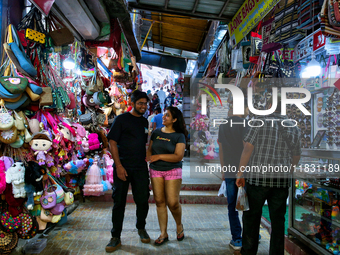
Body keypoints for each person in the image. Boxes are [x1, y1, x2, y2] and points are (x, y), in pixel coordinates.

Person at [236, 94, 301, 255]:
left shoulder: (259, 120)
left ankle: (248, 252)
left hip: (257, 180)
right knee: (278, 222)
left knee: (251, 219)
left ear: (270, 104)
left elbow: (248, 148)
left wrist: (240, 173)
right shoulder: (293, 125)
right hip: (281, 182)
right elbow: (296, 155)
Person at [106, 90, 151, 253]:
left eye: (145, 103)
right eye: (140, 103)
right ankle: (115, 237)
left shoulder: (145, 122)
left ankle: (141, 227)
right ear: (132, 103)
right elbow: (112, 142)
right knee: (119, 202)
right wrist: (118, 166)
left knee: (143, 200)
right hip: (122, 166)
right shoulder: (121, 119)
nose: (143, 106)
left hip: (140, 168)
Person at [146, 106, 187, 246]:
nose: (163, 117)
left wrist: (159, 156)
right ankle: (163, 233)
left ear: (175, 119)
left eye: (167, 115)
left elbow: (178, 156)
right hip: (156, 170)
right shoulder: (156, 133)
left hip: (173, 170)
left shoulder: (179, 136)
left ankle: (179, 225)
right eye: (164, 115)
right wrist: (149, 158)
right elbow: (150, 150)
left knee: (173, 202)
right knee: (159, 201)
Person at [218, 103, 248, 251]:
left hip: (230, 170)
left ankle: (237, 238)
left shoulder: (223, 125)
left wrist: (223, 169)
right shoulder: (247, 124)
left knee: (232, 206)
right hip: (247, 170)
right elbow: (248, 148)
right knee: (248, 204)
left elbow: (221, 150)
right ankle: (250, 235)